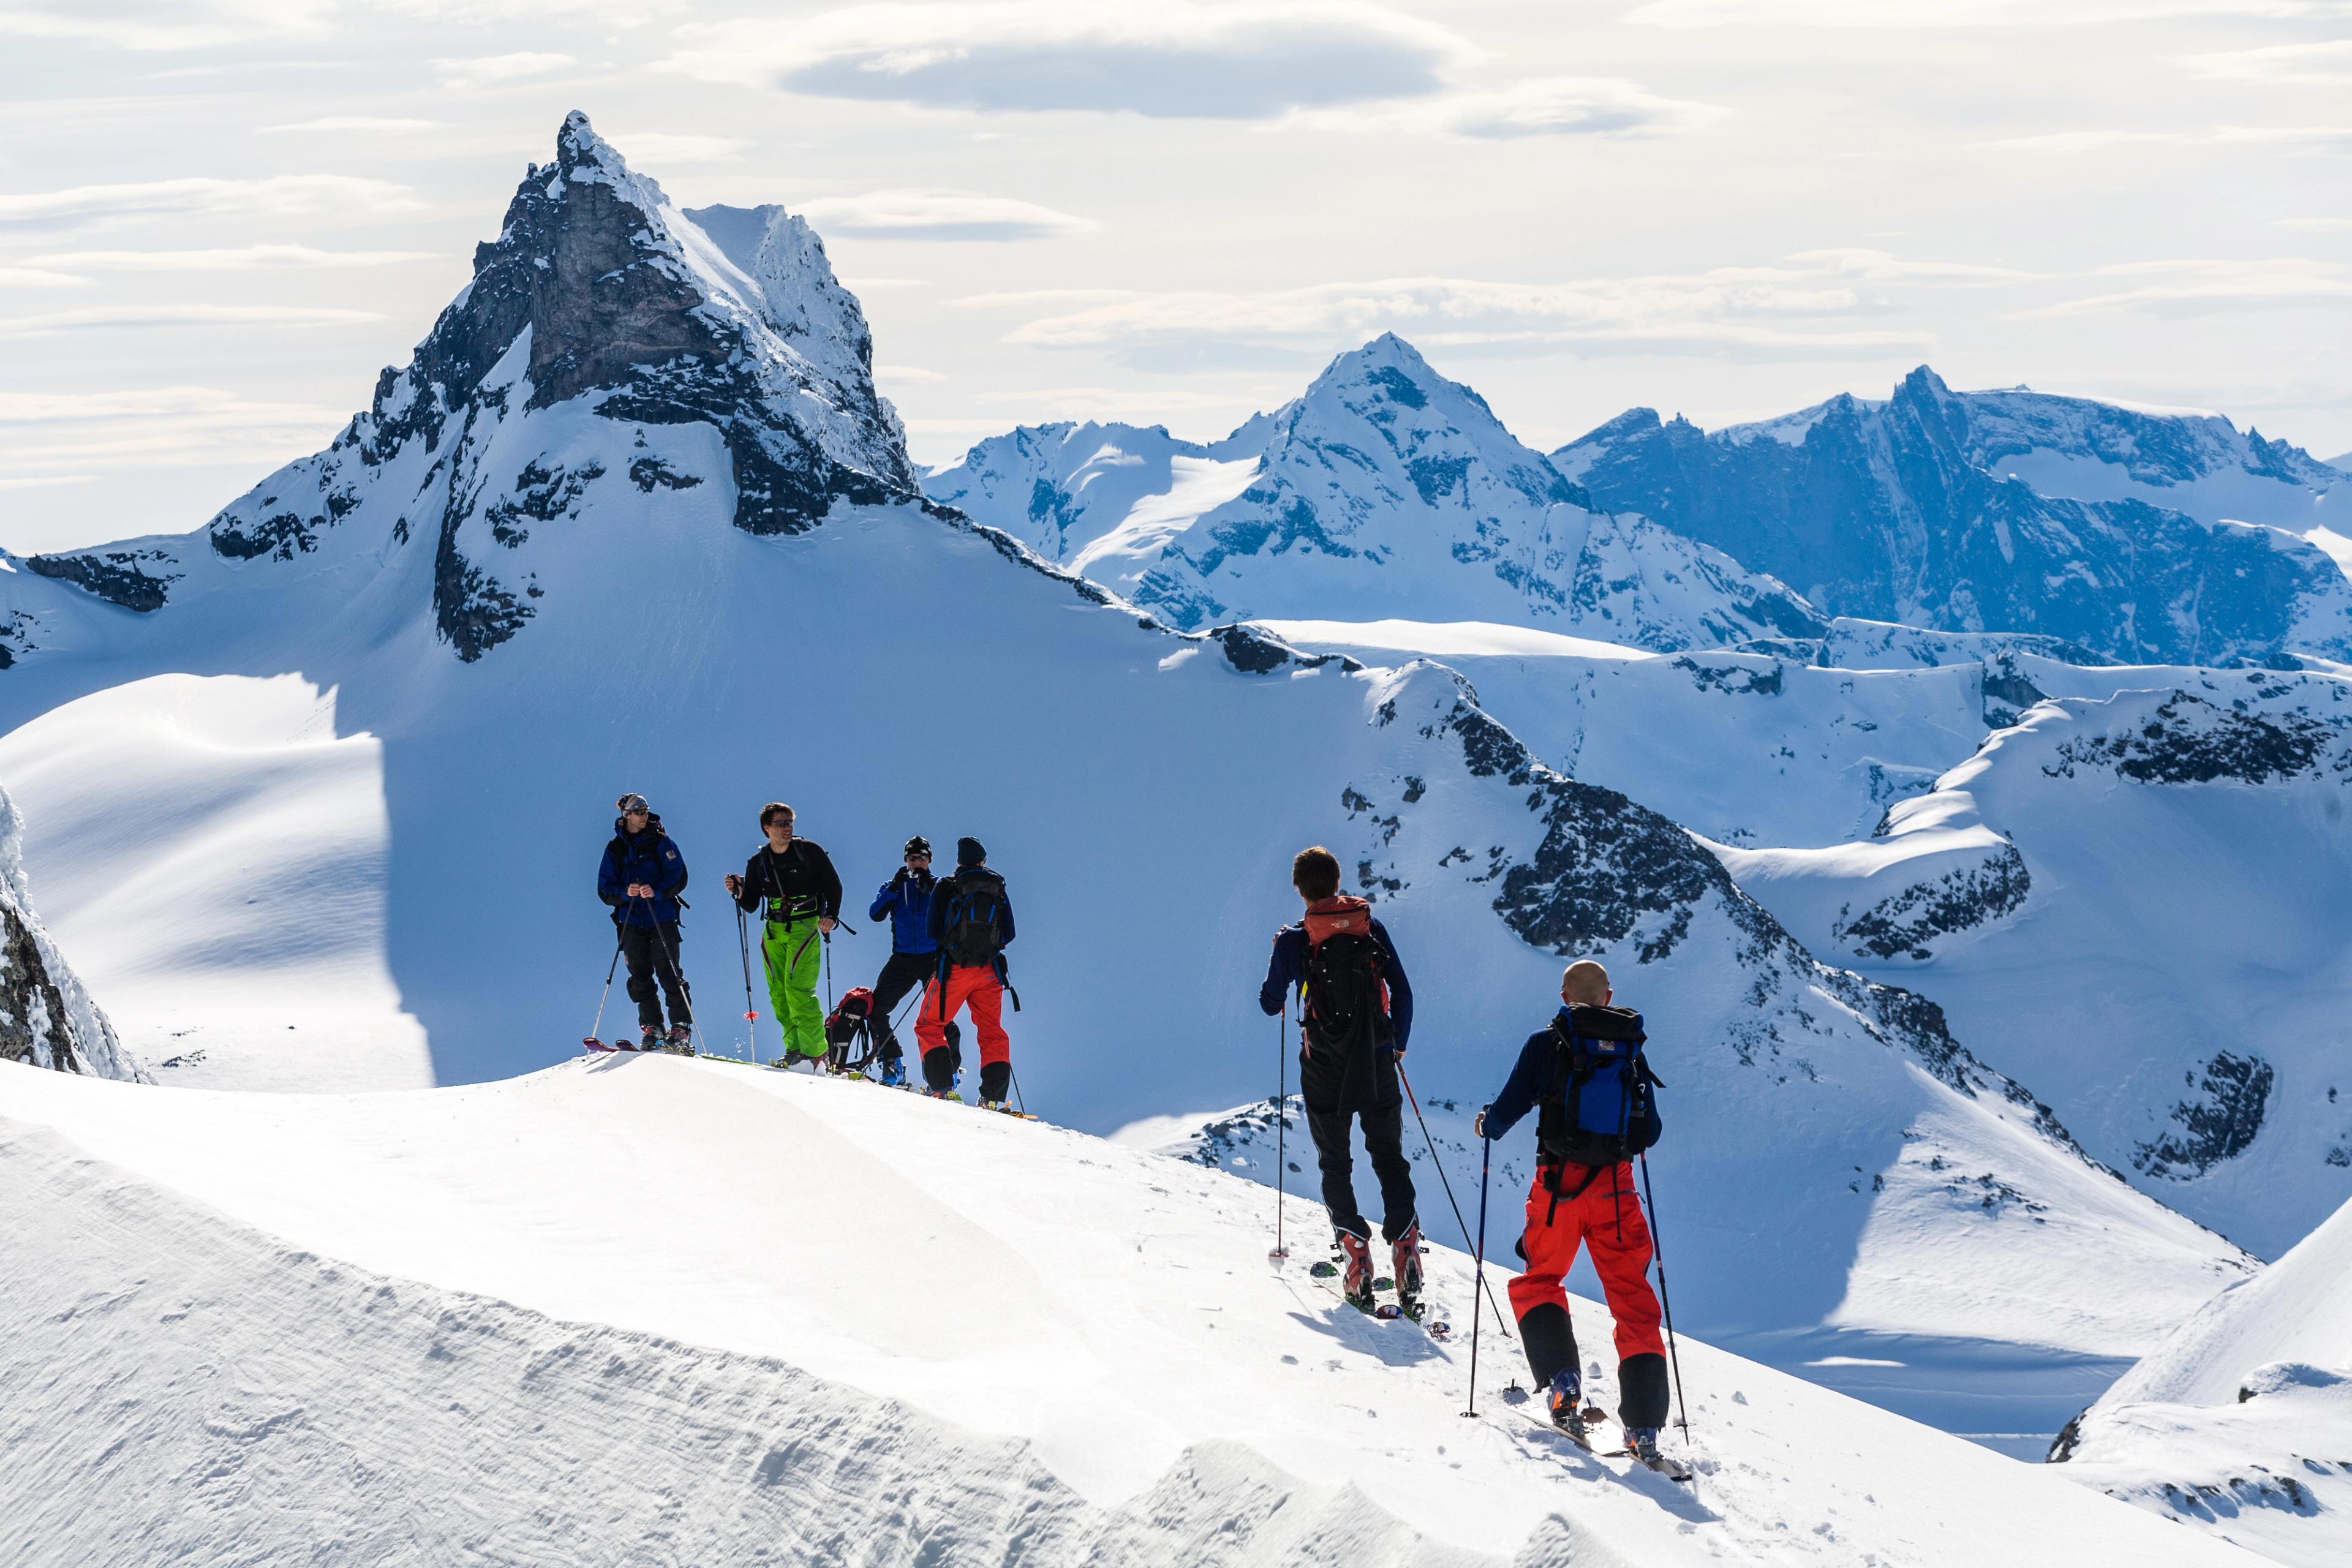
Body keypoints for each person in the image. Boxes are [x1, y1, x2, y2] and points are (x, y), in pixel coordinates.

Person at [1473, 959, 1672, 1468]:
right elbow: (1648, 1134)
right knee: (1634, 1304)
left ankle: (1563, 1380)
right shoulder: (1629, 1048)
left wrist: (1486, 1127)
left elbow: (1506, 1111)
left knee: (1541, 1278)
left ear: (1565, 996)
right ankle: (1645, 1426)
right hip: (1616, 1194)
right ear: (1609, 996)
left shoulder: (1548, 1043)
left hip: (1559, 1189)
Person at [1256, 846, 1419, 1313]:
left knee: (1335, 1161)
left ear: (1300, 889)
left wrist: (1281, 958)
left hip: (1324, 1066)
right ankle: (1406, 1247)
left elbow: (1270, 1003)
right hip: (1377, 1060)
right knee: (1388, 1155)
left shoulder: (1294, 940)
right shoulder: (1370, 925)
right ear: (1337, 881)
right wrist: (1397, 1044)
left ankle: (1356, 1258)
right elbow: (1404, 993)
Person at [724, 803, 842, 1066]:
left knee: (798, 989)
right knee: (778, 992)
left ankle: (814, 1053)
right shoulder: (759, 862)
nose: (787, 827)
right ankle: (794, 1050)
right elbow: (752, 904)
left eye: (790, 822)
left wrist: (831, 916)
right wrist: (739, 891)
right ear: (767, 828)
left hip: (805, 926)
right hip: (773, 932)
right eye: (781, 823)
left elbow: (833, 885)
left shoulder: (810, 852)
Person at [915, 836, 1015, 1107]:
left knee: (929, 1025)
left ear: (959, 861)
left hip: (954, 970)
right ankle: (993, 1099)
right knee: (992, 1031)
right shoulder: (997, 885)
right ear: (983, 860)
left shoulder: (947, 886)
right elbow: (1010, 933)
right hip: (990, 971)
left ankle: (941, 1088)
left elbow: (933, 930)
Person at [595, 793, 693, 1052]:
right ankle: (653, 1027)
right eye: (638, 811)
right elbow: (605, 889)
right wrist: (624, 893)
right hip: (630, 920)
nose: (644, 815)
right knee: (640, 975)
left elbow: (679, 876)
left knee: (669, 970)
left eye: (646, 810)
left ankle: (680, 1027)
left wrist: (657, 891)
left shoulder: (661, 842)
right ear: (626, 815)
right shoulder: (615, 848)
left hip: (661, 916)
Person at [865, 835, 940, 1087]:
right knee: (876, 1009)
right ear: (905, 861)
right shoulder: (894, 885)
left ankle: (944, 1076)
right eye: (912, 858)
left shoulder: (940, 885)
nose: (916, 863)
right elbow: (875, 914)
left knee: (941, 1015)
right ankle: (892, 1064)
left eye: (921, 858)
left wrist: (932, 889)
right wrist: (895, 887)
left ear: (930, 859)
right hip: (903, 959)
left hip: (933, 958)